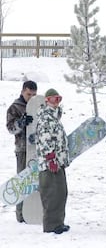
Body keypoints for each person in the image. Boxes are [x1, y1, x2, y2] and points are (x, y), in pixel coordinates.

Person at [36, 88, 70, 234]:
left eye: (59, 99)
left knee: (60, 193)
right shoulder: (45, 117)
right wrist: (50, 159)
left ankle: (58, 222)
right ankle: (51, 225)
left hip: (58, 162)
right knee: (52, 194)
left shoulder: (54, 116)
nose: (57, 102)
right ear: (47, 100)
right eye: (54, 99)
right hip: (50, 163)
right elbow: (45, 139)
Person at [6, 80, 37, 223]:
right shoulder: (15, 107)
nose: (31, 97)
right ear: (23, 91)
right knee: (22, 181)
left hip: (37, 149)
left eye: (33, 94)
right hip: (22, 149)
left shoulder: (37, 104)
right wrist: (21, 123)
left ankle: (34, 211)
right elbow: (10, 128)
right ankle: (20, 215)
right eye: (28, 94)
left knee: (36, 182)